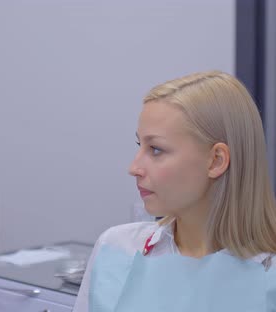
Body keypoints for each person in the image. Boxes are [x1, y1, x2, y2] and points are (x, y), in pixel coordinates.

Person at [73, 71, 276, 312]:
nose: (134, 168)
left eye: (156, 150)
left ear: (216, 161)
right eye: (140, 145)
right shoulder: (116, 248)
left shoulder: (268, 274)